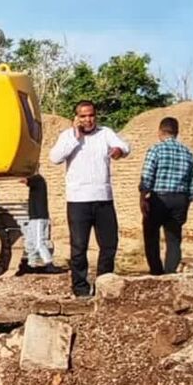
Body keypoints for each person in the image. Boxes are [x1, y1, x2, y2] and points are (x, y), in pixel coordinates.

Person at [49, 100, 130, 297]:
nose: (88, 120)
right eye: (83, 116)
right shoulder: (67, 136)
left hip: (103, 199)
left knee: (109, 245)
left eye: (91, 115)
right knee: (78, 247)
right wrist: (75, 137)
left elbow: (124, 146)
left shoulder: (105, 133)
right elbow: (55, 157)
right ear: (76, 118)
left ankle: (104, 285)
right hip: (78, 200)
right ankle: (80, 289)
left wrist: (119, 151)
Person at [139, 115, 193, 275]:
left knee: (151, 235)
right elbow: (192, 184)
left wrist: (143, 197)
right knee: (174, 239)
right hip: (180, 199)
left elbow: (147, 175)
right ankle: (170, 274)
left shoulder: (156, 149)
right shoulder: (188, 153)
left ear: (160, 131)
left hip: (159, 198)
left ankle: (156, 272)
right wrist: (186, 202)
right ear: (176, 132)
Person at [22, 172, 53, 272]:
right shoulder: (36, 180)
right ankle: (32, 264)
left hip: (39, 217)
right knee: (30, 242)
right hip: (34, 217)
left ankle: (49, 263)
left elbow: (24, 180)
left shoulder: (38, 179)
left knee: (39, 242)